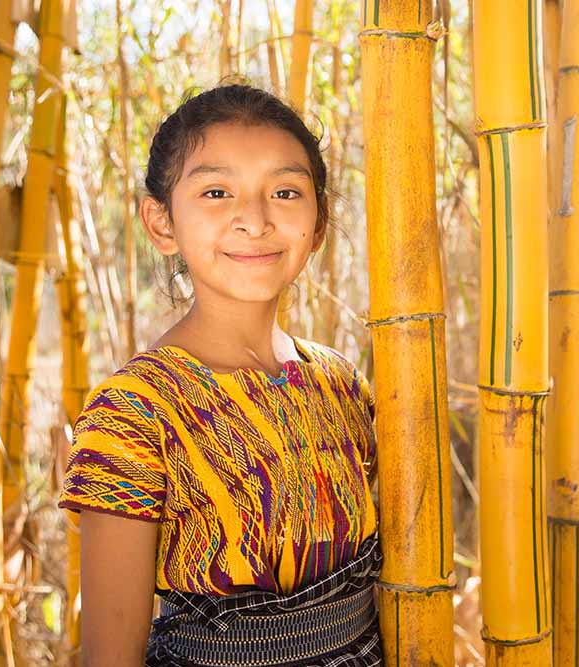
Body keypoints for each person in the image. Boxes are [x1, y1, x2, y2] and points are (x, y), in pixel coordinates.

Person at [57, 83, 381, 667]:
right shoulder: (134, 412)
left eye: (285, 191)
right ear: (161, 223)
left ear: (319, 220)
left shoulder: (342, 385)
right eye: (215, 191)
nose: (253, 220)